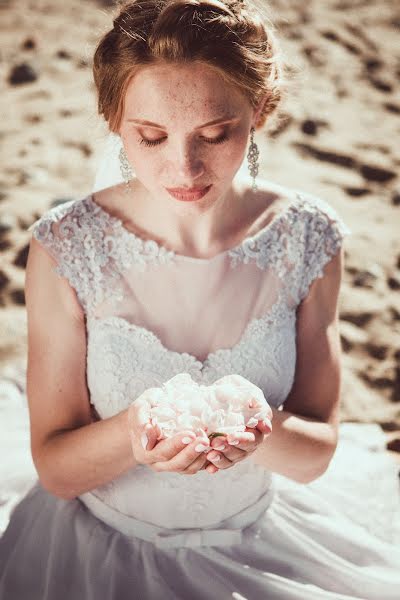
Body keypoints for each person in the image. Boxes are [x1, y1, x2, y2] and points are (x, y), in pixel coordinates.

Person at [1, 1, 399, 598]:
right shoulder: (67, 246)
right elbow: (56, 469)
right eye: (152, 136)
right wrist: (135, 434)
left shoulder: (308, 238)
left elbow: (317, 450)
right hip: (97, 550)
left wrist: (259, 433)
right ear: (114, 118)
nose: (183, 166)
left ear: (258, 110)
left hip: (259, 540)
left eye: (215, 134)